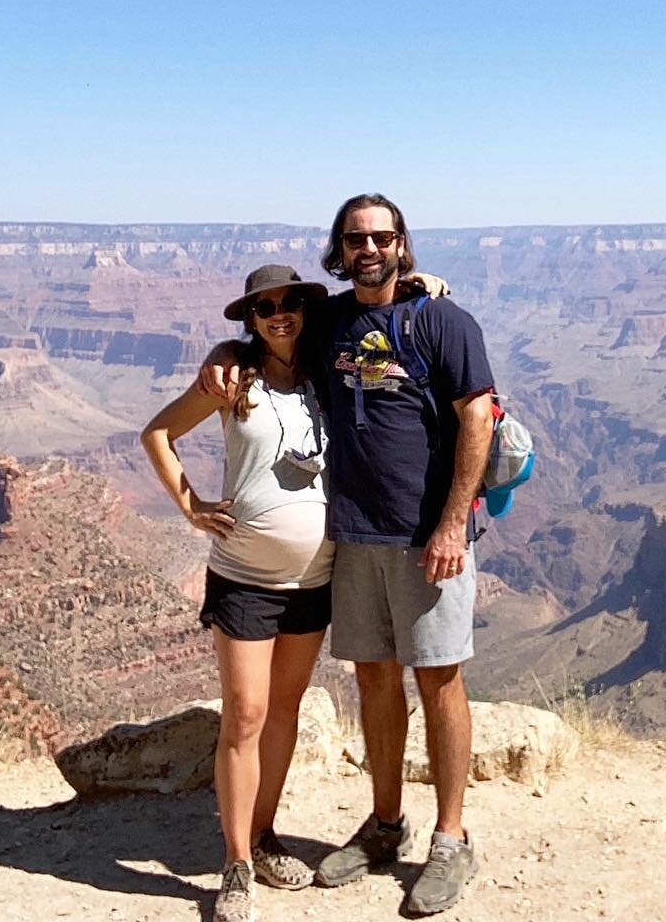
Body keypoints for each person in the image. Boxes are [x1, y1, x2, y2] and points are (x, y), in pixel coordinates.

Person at [204, 195, 495, 917]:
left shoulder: (442, 321)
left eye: (382, 236)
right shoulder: (331, 318)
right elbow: (268, 337)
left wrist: (453, 523)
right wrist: (223, 353)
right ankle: (385, 823)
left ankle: (452, 838)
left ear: (403, 244)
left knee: (439, 683)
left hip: (428, 537)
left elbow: (477, 417)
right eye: (355, 237)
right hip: (353, 536)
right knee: (374, 682)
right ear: (339, 249)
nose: (369, 247)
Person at [141, 264, 335, 922]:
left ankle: (263, 833)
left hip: (315, 579)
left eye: (289, 304)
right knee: (246, 714)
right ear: (249, 320)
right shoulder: (234, 380)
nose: (279, 314)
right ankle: (235, 865)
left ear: (306, 309)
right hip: (246, 579)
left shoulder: (329, 374)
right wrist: (191, 505)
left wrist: (429, 286)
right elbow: (158, 434)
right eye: (264, 308)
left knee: (284, 711)